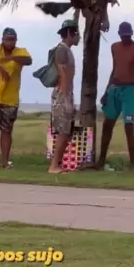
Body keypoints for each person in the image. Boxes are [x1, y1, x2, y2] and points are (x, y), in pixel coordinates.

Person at [96, 22, 134, 170]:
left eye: (128, 36)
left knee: (128, 126)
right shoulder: (114, 47)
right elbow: (114, 70)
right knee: (107, 125)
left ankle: (132, 164)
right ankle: (101, 160)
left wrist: (126, 81)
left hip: (130, 92)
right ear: (119, 34)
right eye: (123, 36)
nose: (126, 38)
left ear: (132, 34)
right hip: (114, 89)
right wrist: (106, 91)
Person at [0, 28, 32, 168]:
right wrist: (0, 69)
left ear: (16, 40)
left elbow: (28, 60)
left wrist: (11, 58)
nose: (10, 42)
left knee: (6, 130)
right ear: (2, 39)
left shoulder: (20, 52)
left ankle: (5, 162)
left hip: (10, 99)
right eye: (7, 39)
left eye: (12, 40)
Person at [48, 19, 80, 174]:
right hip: (62, 94)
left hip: (67, 93)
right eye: (76, 34)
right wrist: (66, 98)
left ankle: (57, 164)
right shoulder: (61, 50)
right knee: (63, 130)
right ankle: (54, 165)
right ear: (69, 33)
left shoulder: (67, 50)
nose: (79, 37)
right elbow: (63, 75)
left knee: (67, 130)